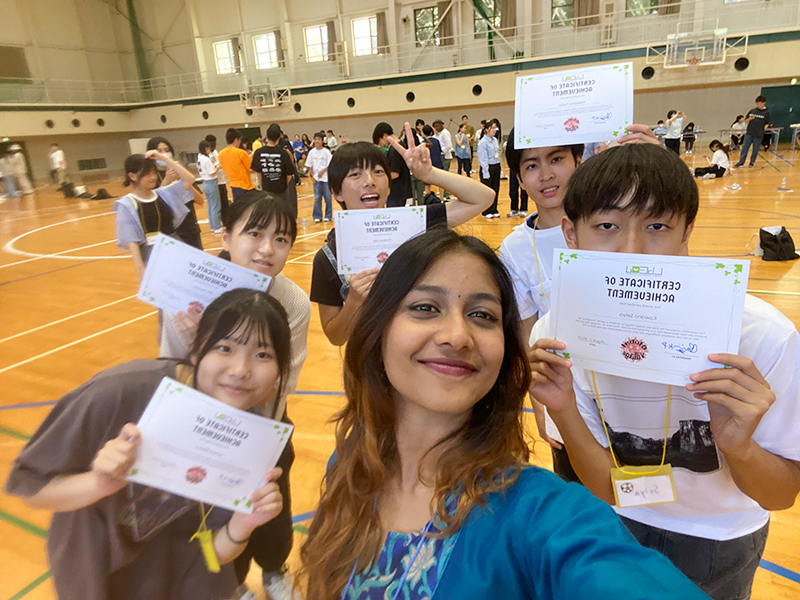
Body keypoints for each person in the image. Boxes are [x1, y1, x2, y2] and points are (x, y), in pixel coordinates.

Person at [299, 227, 709, 600]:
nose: (457, 336)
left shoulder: (540, 513)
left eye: (482, 315)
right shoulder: (350, 468)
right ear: (378, 329)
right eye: (425, 307)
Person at [529, 143, 800, 600]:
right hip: (617, 521)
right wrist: (563, 409)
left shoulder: (761, 336)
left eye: (656, 226)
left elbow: (780, 497)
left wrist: (739, 446)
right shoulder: (557, 336)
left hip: (722, 536)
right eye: (607, 226)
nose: (632, 250)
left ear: (686, 232)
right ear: (571, 234)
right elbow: (605, 487)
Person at [5, 289, 288, 600]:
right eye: (224, 348)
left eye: (263, 355)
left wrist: (243, 525)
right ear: (196, 350)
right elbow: (32, 489)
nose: (240, 370)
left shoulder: (252, 438)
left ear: (279, 372)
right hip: (97, 580)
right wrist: (97, 484)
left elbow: (211, 557)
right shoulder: (119, 393)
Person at [160, 192, 311, 600]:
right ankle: (233, 584)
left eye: (281, 239)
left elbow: (280, 384)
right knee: (214, 514)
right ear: (225, 236)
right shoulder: (187, 295)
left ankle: (275, 570)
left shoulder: (293, 301)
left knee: (271, 508)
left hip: (265, 425)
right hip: (201, 430)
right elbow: (171, 375)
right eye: (254, 234)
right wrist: (200, 355)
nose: (267, 249)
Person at [499, 125, 661, 474]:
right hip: (571, 397)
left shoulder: (618, 227)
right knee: (581, 488)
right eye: (531, 165)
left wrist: (655, 163)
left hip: (635, 387)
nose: (546, 174)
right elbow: (526, 334)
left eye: (556, 159)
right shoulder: (515, 248)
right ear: (519, 178)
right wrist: (540, 406)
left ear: (578, 160)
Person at [309, 126, 493, 346]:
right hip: (370, 363)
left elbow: (483, 197)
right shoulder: (328, 258)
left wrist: (429, 174)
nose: (370, 181)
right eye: (355, 174)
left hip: (425, 351)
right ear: (336, 191)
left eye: (378, 172)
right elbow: (336, 337)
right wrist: (355, 301)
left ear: (388, 185)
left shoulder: (412, 224)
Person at [113, 151, 194, 279]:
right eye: (146, 174)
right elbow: (131, 240)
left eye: (154, 173)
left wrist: (163, 158)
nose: (153, 177)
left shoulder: (164, 194)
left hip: (176, 248)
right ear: (132, 176)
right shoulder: (127, 204)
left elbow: (189, 179)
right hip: (152, 255)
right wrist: (140, 269)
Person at [147, 137, 203, 250]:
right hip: (170, 232)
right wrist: (167, 180)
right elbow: (154, 202)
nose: (164, 154)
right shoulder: (151, 177)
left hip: (190, 229)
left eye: (167, 150)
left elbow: (200, 200)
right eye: (159, 151)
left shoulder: (181, 172)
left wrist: (184, 182)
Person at [251, 124, 295, 217]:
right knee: (281, 215)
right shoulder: (283, 153)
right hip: (281, 190)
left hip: (266, 189)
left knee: (268, 215)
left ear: (266, 135)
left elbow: (258, 173)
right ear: (279, 137)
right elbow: (289, 174)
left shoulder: (258, 153)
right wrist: (283, 185)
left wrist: (262, 187)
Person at [735, 96, 772, 168]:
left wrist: (766, 126)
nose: (758, 105)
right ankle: (741, 162)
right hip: (749, 132)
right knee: (745, 148)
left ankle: (752, 162)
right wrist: (750, 118)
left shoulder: (767, 112)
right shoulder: (753, 111)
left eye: (760, 104)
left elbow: (769, 122)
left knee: (755, 149)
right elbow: (746, 121)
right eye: (757, 104)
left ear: (764, 103)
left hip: (759, 134)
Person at [219, 128, 256, 200]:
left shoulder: (221, 154)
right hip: (246, 186)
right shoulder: (240, 153)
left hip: (234, 185)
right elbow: (251, 168)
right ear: (236, 140)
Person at [307, 132, 333, 222]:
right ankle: (317, 216)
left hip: (326, 179)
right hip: (316, 179)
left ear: (322, 141)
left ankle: (328, 215)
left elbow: (330, 164)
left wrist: (322, 171)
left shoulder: (326, 152)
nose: (317, 141)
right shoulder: (312, 152)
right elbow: (309, 165)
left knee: (328, 198)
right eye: (315, 139)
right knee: (317, 198)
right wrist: (312, 175)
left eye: (319, 139)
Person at [197, 140, 222, 234]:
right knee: (215, 206)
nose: (209, 151)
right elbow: (212, 173)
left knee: (211, 206)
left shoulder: (199, 158)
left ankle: (213, 226)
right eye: (208, 149)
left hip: (205, 183)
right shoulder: (206, 159)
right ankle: (217, 227)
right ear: (205, 148)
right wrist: (217, 168)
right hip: (211, 183)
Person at [478, 118, 501, 219]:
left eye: (496, 128)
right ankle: (486, 211)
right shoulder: (483, 142)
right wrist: (486, 172)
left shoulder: (495, 140)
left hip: (496, 165)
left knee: (495, 189)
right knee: (487, 191)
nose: (495, 130)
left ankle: (494, 209)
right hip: (488, 167)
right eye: (493, 128)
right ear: (487, 129)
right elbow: (483, 159)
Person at [206, 134, 231, 226]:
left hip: (221, 181)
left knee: (224, 204)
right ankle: (217, 224)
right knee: (218, 205)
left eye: (215, 144)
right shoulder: (208, 156)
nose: (214, 146)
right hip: (216, 183)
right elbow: (215, 167)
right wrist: (220, 166)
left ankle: (225, 222)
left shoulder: (215, 153)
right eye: (212, 144)